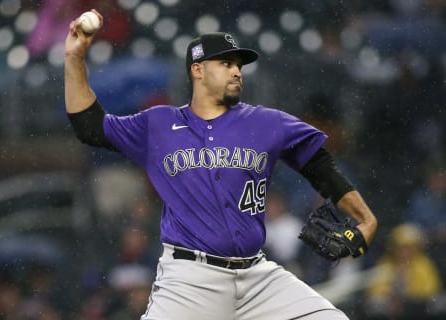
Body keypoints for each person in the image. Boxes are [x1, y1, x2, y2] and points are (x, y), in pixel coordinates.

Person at [64, 10, 378, 320]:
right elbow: (89, 126)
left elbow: (319, 165)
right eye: (226, 63)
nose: (237, 72)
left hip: (257, 276)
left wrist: (365, 219)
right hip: (189, 280)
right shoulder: (159, 123)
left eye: (238, 65)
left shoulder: (265, 122)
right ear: (198, 70)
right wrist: (75, 60)